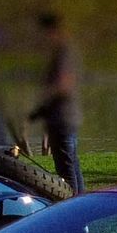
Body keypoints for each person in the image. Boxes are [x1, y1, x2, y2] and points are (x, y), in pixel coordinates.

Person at [28, 12, 85, 195]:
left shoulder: (64, 52)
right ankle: (80, 203)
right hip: (64, 119)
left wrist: (42, 107)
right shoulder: (65, 51)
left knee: (66, 173)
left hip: (62, 119)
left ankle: (72, 211)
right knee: (71, 165)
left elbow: (63, 85)